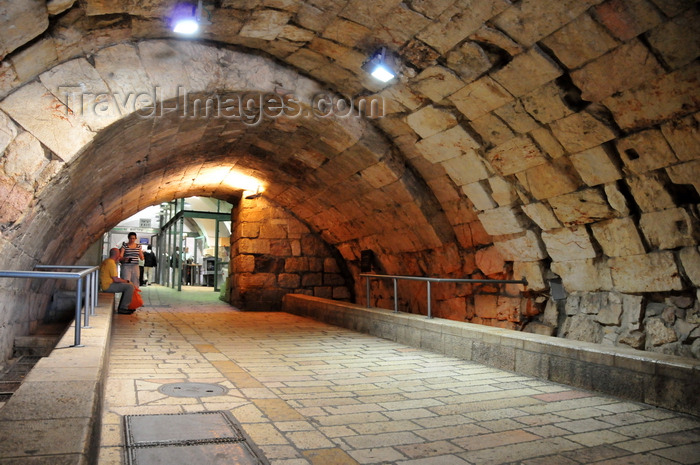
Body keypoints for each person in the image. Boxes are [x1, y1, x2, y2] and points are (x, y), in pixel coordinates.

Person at [100, 247, 135, 314]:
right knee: (129, 286)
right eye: (119, 254)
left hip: (105, 285)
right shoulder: (111, 263)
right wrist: (127, 281)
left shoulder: (106, 261)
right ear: (117, 254)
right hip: (108, 286)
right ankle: (123, 308)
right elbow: (116, 279)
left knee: (128, 286)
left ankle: (123, 306)